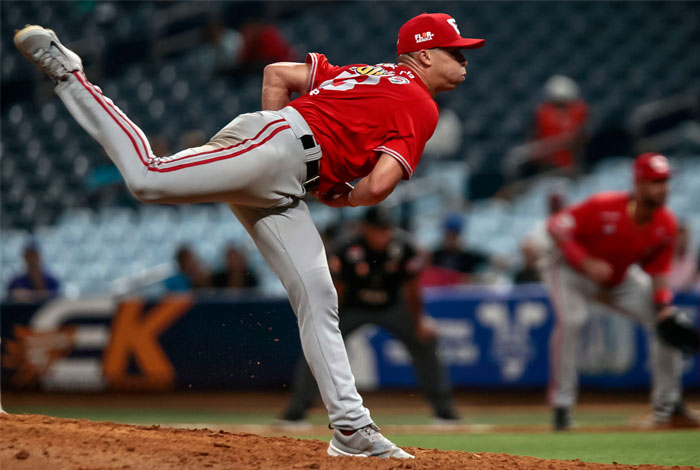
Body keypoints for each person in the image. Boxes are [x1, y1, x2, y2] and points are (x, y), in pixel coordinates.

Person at [14, 13, 484, 458]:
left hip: (280, 166)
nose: (464, 60)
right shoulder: (420, 103)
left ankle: (352, 428)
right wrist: (332, 189)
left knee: (318, 293)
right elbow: (378, 186)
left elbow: (277, 73)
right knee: (147, 177)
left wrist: (280, 139)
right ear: (423, 55)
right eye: (454, 52)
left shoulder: (367, 73)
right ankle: (71, 75)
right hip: (278, 153)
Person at [544, 153, 699, 431]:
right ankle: (562, 406)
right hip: (571, 273)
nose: (662, 188)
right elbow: (556, 226)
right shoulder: (604, 206)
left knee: (664, 323)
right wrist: (585, 261)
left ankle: (668, 405)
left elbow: (659, 273)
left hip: (618, 278)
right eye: (655, 182)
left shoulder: (666, 224)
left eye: (665, 181)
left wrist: (664, 306)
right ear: (638, 184)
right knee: (572, 321)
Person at [278, 207, 459, 426]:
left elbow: (412, 289)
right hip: (353, 306)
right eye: (377, 230)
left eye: (386, 230)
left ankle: (445, 411)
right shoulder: (346, 248)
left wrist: (420, 321)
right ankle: (297, 411)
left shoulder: (405, 247)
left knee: (426, 339)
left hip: (393, 305)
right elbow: (337, 289)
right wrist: (326, 322)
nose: (383, 235)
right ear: (365, 229)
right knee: (319, 343)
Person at [428, 214, 490, 284]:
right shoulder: (434, 256)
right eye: (448, 235)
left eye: (454, 236)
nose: (451, 239)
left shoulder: (470, 257)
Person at [668, 223, 698, 292]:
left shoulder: (694, 262)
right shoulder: (666, 261)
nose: (682, 243)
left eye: (684, 239)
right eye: (679, 239)